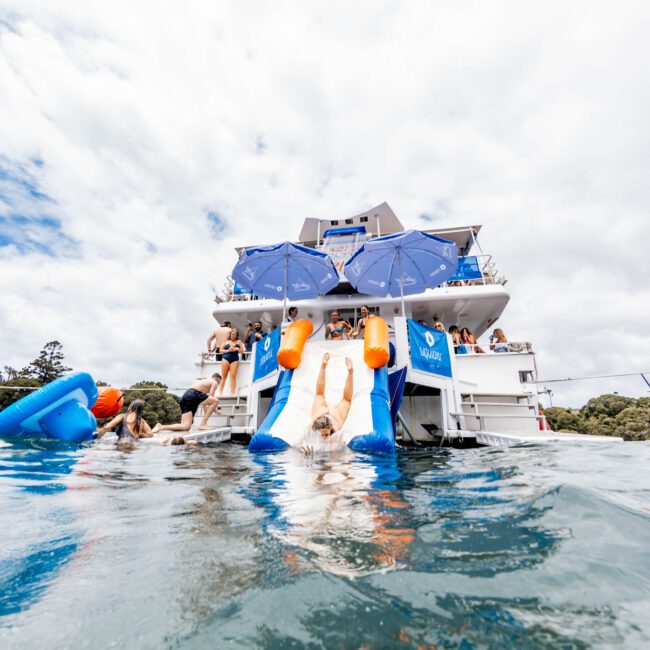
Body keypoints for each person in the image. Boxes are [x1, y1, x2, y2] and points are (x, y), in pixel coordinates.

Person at [304, 353, 353, 451]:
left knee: (321, 394)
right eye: (323, 435)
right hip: (324, 414)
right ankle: (348, 371)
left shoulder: (334, 432)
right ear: (316, 431)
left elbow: (334, 448)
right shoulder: (311, 428)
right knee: (344, 399)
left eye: (326, 434)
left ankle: (350, 371)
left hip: (332, 415)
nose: (325, 437)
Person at [152, 374, 221, 433]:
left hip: (185, 397)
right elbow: (212, 397)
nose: (219, 384)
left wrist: (210, 414)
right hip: (193, 395)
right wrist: (216, 411)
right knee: (216, 400)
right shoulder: (214, 382)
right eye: (219, 382)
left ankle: (161, 427)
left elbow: (205, 403)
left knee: (185, 426)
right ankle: (202, 424)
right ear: (217, 379)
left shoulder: (204, 383)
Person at [217, 328, 245, 397]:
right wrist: (228, 350)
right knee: (224, 376)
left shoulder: (238, 342)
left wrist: (236, 348)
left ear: (236, 335)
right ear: (230, 334)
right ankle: (220, 392)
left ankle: (232, 393)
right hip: (225, 358)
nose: (233, 336)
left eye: (235, 335)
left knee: (233, 375)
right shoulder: (226, 341)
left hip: (234, 359)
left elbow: (242, 350)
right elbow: (220, 350)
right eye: (232, 334)